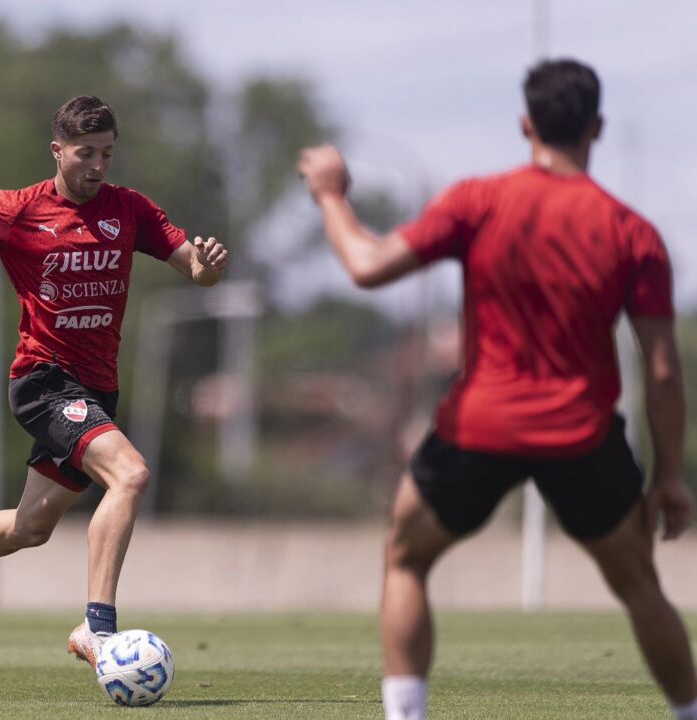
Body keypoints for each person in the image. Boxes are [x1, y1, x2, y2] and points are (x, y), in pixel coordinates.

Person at [298, 59, 697, 720]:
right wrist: (671, 477)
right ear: (596, 127)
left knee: (406, 560)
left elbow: (366, 266)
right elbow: (662, 369)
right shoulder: (633, 232)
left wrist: (332, 193)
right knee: (639, 586)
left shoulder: (478, 201)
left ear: (525, 124)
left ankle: (406, 716)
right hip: (581, 434)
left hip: (480, 427)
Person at [0, 95, 228, 667]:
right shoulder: (15, 209)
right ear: (58, 151)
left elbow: (194, 270)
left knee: (29, 528)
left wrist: (207, 267)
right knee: (130, 476)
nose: (98, 166)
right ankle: (97, 629)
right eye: (86, 153)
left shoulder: (129, 210)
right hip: (43, 380)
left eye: (107, 153)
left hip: (97, 389)